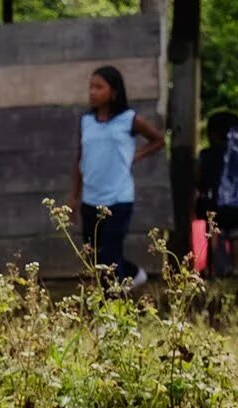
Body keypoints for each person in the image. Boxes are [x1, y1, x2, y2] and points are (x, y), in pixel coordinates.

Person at [69, 65, 165, 289]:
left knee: (110, 256)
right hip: (91, 199)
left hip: (118, 198)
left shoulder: (129, 119)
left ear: (114, 92)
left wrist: (136, 155)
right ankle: (132, 274)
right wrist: (74, 196)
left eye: (99, 87)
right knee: (93, 255)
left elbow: (158, 140)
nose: (92, 92)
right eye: (90, 87)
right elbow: (80, 159)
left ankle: (111, 310)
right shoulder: (87, 122)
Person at [196, 110, 238, 277]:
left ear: (213, 134)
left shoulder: (207, 155)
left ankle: (214, 269)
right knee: (237, 232)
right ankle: (236, 267)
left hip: (215, 205)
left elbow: (200, 178)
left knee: (215, 233)